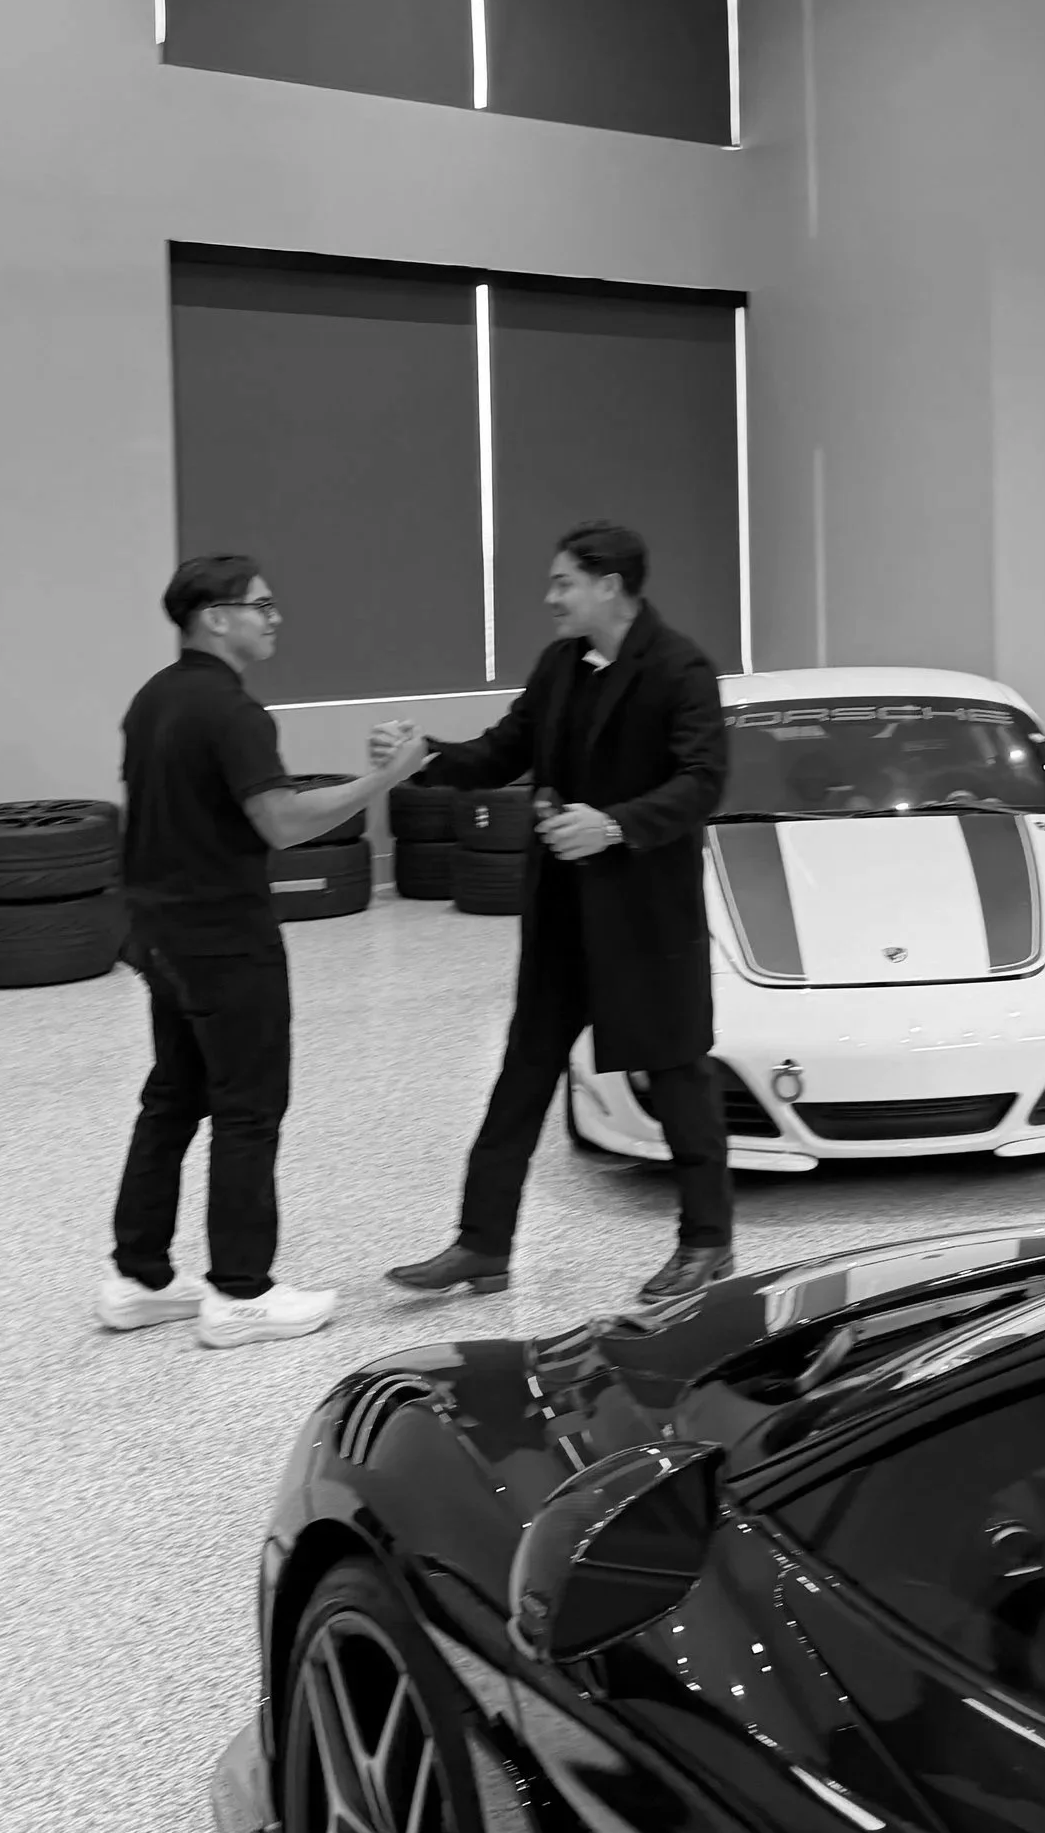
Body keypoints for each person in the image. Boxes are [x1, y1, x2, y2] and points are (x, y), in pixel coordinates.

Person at [383, 521, 733, 1307]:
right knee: (522, 1076)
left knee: (679, 1076)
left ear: (609, 584)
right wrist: (425, 751)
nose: (549, 597)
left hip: (644, 917)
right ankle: (481, 1245)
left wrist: (611, 824)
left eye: (562, 582)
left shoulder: (680, 669)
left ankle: (708, 1240)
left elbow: (703, 783)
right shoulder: (559, 666)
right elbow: (500, 749)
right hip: (563, 917)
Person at [101, 554, 428, 1349]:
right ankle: (240, 1291)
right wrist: (380, 779)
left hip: (158, 935)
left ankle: (136, 1278)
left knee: (174, 1097)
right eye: (261, 605)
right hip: (222, 939)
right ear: (215, 616)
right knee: (249, 1108)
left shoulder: (154, 698)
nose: (275, 616)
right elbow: (279, 822)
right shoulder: (233, 712)